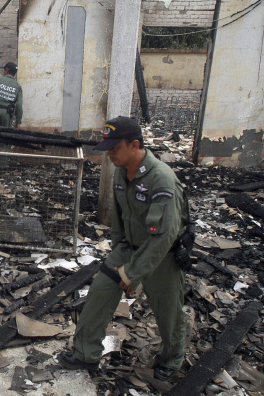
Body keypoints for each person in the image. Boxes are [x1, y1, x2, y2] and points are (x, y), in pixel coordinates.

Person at [58, 116, 189, 381]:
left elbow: (164, 237)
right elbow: (118, 217)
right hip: (129, 247)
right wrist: (119, 252)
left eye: (115, 148)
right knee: (100, 293)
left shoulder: (161, 180)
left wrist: (133, 274)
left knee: (168, 311)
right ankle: (86, 354)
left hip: (160, 255)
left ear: (135, 145)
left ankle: (172, 358)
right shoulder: (121, 172)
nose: (109, 154)